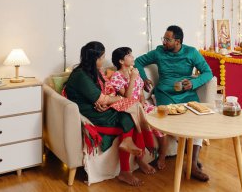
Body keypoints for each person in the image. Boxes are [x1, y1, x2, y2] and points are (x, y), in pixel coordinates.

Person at [64, 41, 155, 186]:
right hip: (92, 114)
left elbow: (108, 90)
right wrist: (114, 99)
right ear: (95, 59)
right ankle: (126, 170)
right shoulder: (81, 75)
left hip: (100, 107)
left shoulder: (95, 71)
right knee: (131, 115)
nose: (103, 60)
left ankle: (135, 156)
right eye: (102, 58)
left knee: (132, 109)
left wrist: (108, 100)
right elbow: (102, 98)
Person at [134, 25, 213, 182]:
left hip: (187, 93)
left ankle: (192, 164)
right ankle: (192, 163)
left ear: (178, 42)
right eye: (164, 38)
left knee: (198, 120)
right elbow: (138, 61)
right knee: (177, 121)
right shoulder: (159, 52)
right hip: (165, 94)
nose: (164, 42)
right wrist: (144, 78)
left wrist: (194, 83)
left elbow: (208, 72)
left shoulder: (191, 52)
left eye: (167, 39)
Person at [110, 47, 168, 170]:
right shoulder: (116, 77)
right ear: (121, 61)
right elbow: (127, 97)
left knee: (161, 123)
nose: (133, 57)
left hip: (141, 106)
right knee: (142, 124)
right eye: (129, 55)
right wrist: (132, 78)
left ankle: (162, 156)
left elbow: (141, 93)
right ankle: (140, 160)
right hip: (130, 108)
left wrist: (142, 104)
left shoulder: (135, 72)